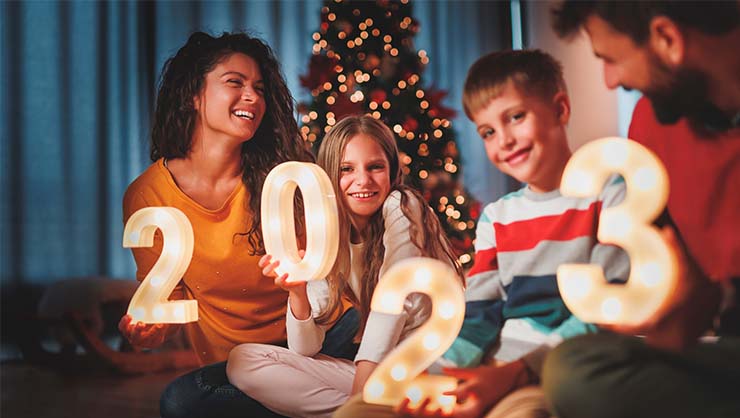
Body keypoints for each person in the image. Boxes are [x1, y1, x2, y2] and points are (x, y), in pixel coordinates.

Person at [334, 49, 630, 418]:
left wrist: (514, 374)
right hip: (493, 368)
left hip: (555, 375)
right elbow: (479, 314)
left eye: (516, 118)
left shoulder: (610, 194)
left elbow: (605, 312)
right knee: (360, 411)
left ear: (560, 109)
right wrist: (436, 377)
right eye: (488, 132)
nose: (504, 140)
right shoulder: (497, 217)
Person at [119, 31, 357, 418]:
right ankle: (354, 399)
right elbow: (169, 300)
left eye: (259, 88)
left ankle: (327, 395)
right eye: (235, 83)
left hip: (321, 337)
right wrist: (148, 330)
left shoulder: (283, 179)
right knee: (179, 404)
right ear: (193, 95)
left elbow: (320, 285)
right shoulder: (148, 196)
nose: (253, 97)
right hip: (240, 365)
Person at [542, 2, 740, 417]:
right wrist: (665, 318)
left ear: (667, 38)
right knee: (575, 368)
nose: (611, 81)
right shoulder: (654, 127)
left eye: (611, 60)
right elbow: (693, 313)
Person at [225, 115, 465, 418]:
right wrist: (297, 293)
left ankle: (363, 410)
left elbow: (391, 304)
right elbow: (305, 349)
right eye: (346, 169)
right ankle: (363, 413)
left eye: (375, 167)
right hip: (383, 374)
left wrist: (361, 395)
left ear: (392, 171)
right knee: (244, 360)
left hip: (430, 367)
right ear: (328, 177)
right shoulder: (332, 232)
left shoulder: (403, 206)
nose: (363, 180)